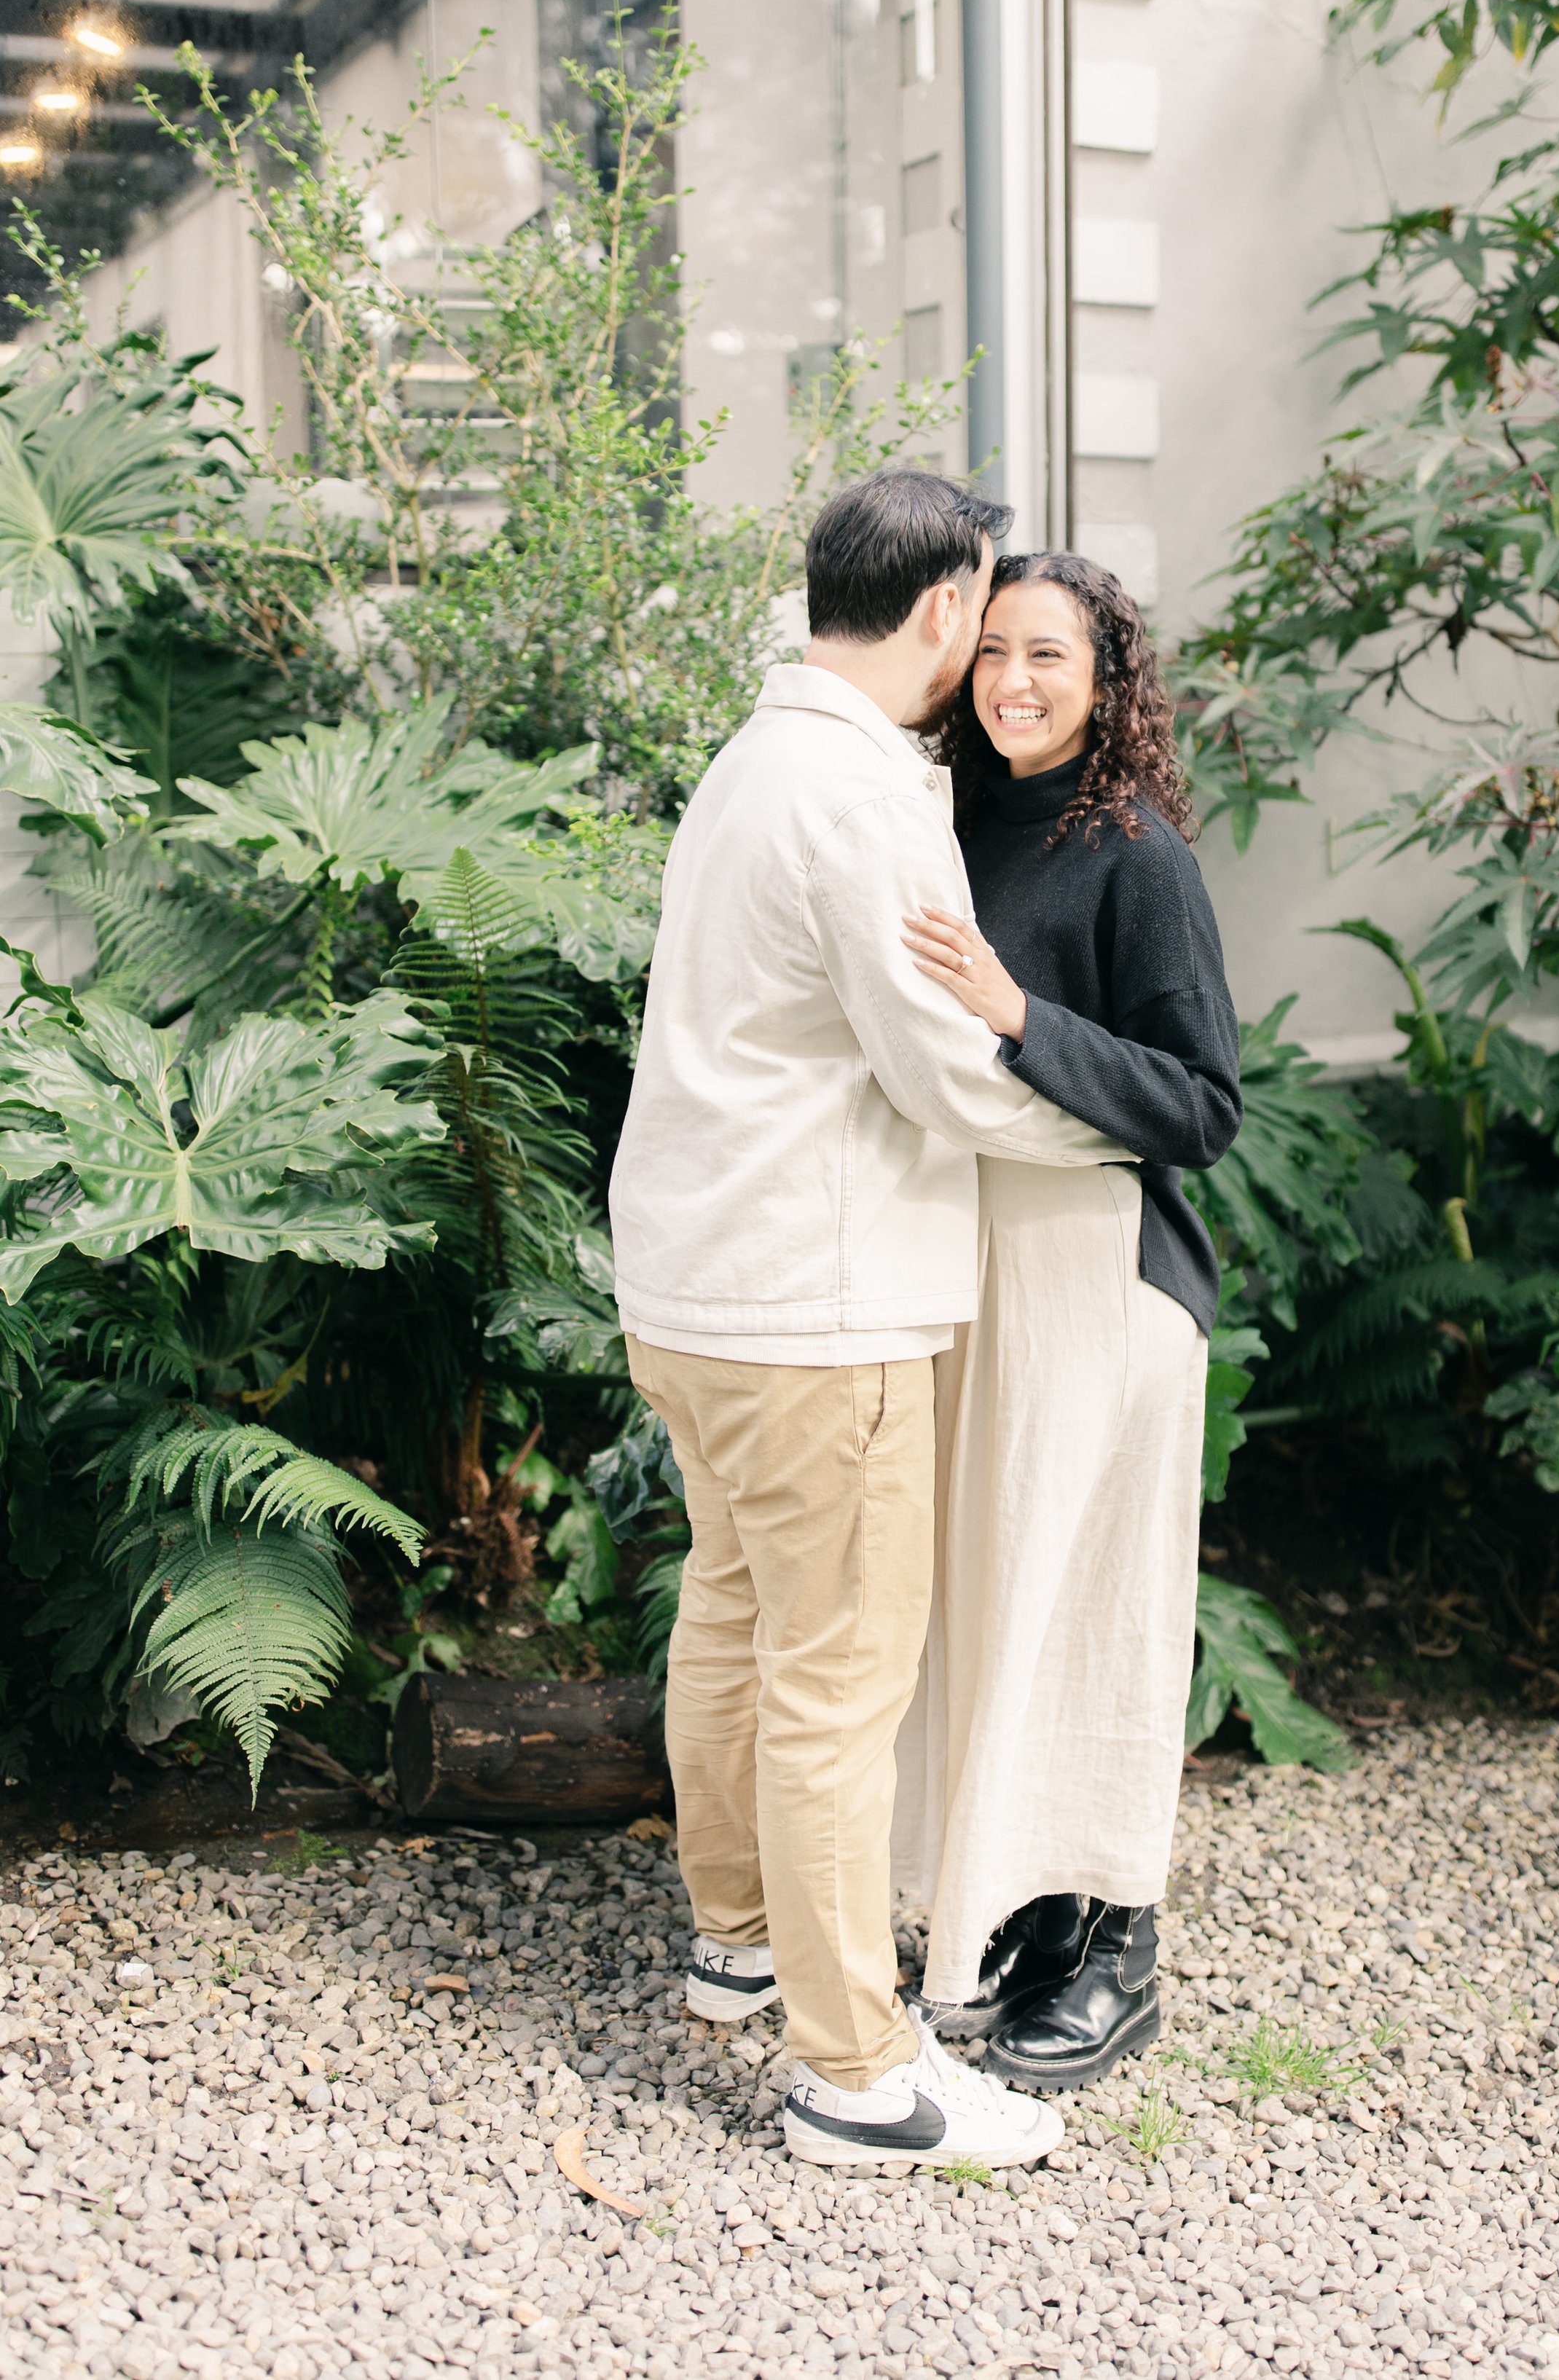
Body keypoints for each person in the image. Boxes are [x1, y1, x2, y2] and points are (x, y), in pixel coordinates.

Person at [608, 472, 1134, 2171]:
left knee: (739, 1616)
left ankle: (736, 1936)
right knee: (839, 1682)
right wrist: (1109, 1119)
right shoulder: (866, 799)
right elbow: (948, 1074)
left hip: (689, 1294)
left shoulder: (751, 762)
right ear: (933, 611)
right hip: (812, 1313)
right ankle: (855, 2072)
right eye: (978, 613)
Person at [894, 549, 1243, 2092]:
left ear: (1107, 687)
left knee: (1094, 1609)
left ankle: (1116, 1944)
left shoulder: (1135, 853)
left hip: (1107, 1292)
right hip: (970, 1279)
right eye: (994, 654)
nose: (1015, 681)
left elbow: (1200, 1105)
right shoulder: (938, 822)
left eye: (1051, 656)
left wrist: (1016, 1010)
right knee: (987, 1607)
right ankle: (1013, 1913)